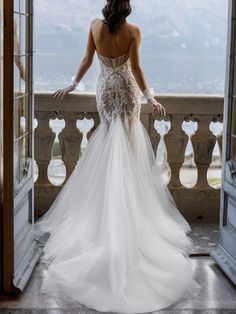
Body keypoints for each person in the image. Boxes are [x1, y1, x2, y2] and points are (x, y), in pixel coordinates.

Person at [35, 0, 201, 312]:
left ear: (107, 6)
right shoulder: (134, 31)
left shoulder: (94, 26)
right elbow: (136, 68)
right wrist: (151, 97)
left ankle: (107, 215)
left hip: (105, 91)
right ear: (126, 9)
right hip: (126, 92)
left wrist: (73, 83)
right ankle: (128, 216)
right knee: (127, 150)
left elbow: (87, 59)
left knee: (110, 144)